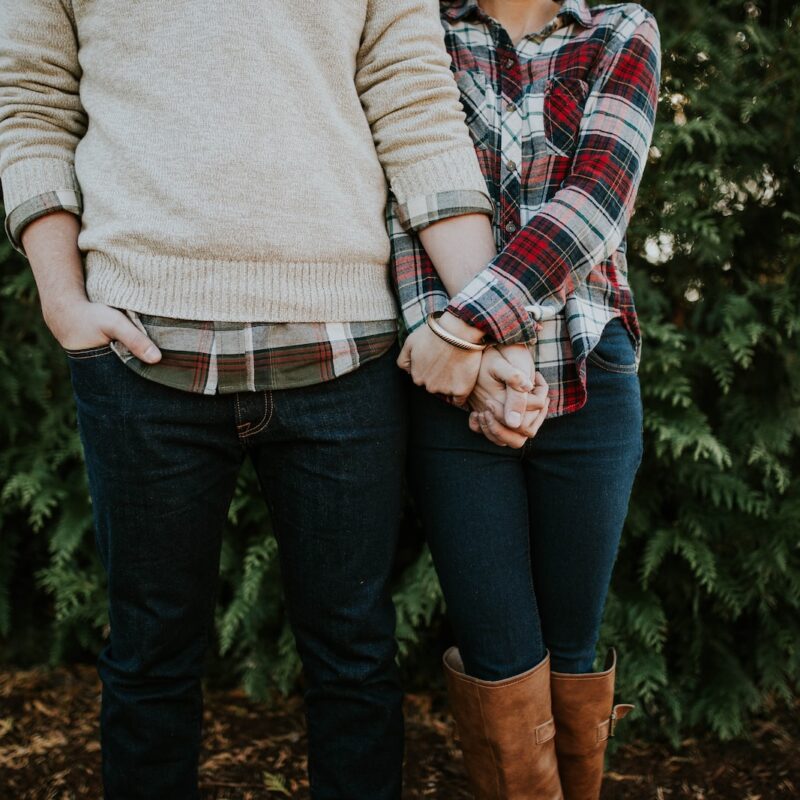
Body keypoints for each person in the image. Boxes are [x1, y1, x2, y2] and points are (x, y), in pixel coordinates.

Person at [0, 2, 521, 798]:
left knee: (354, 657)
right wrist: (62, 301)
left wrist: (488, 318)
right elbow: (30, 101)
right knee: (149, 657)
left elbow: (415, 107)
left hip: (346, 354)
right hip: (142, 353)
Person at [391, 1, 662, 798]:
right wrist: (463, 359)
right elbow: (403, 200)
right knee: (499, 659)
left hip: (588, 369)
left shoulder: (619, 29)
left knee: (572, 652)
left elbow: (597, 201)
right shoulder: (419, 30)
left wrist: (469, 328)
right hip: (453, 388)